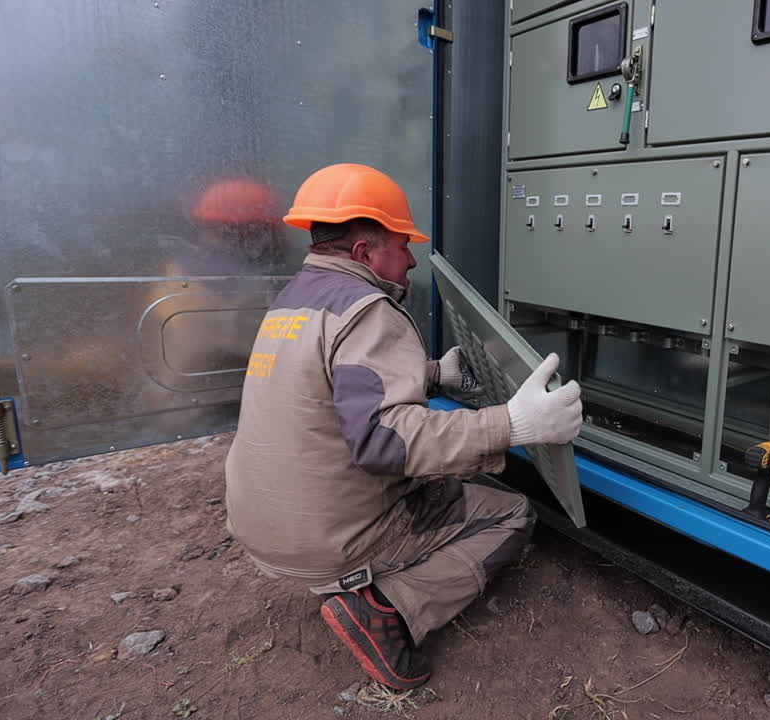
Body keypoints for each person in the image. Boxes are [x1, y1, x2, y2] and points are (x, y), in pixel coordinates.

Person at [223, 163, 583, 689]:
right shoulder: (371, 310)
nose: (412, 258)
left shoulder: (295, 300)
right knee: (509, 513)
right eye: (402, 244)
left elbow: (332, 387)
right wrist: (514, 423)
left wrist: (435, 374)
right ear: (366, 253)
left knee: (437, 481)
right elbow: (383, 442)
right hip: (325, 538)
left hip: (260, 522)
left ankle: (358, 574)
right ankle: (388, 609)